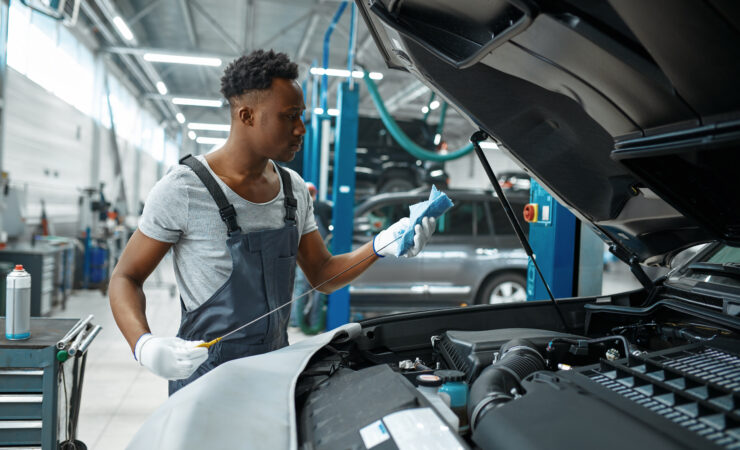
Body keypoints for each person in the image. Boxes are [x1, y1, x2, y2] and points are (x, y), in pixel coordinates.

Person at [108, 50, 437, 395]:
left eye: (301, 116)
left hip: (275, 376)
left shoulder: (294, 189)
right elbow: (126, 277)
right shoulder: (183, 190)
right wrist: (143, 345)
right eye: (289, 116)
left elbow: (323, 274)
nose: (301, 129)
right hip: (204, 382)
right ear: (246, 115)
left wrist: (380, 246)